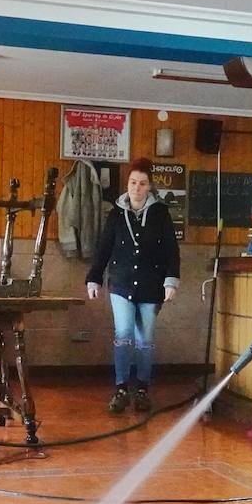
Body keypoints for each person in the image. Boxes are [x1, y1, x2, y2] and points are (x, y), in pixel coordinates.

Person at [86, 158, 181, 413]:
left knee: (145, 340)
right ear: (127, 185)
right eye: (132, 183)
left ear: (149, 187)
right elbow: (104, 248)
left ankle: (141, 389)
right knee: (124, 335)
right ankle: (120, 388)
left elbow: (172, 250)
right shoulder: (116, 214)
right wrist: (94, 278)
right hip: (121, 284)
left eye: (142, 183)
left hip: (151, 287)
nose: (136, 188)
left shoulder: (160, 214)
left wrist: (171, 281)